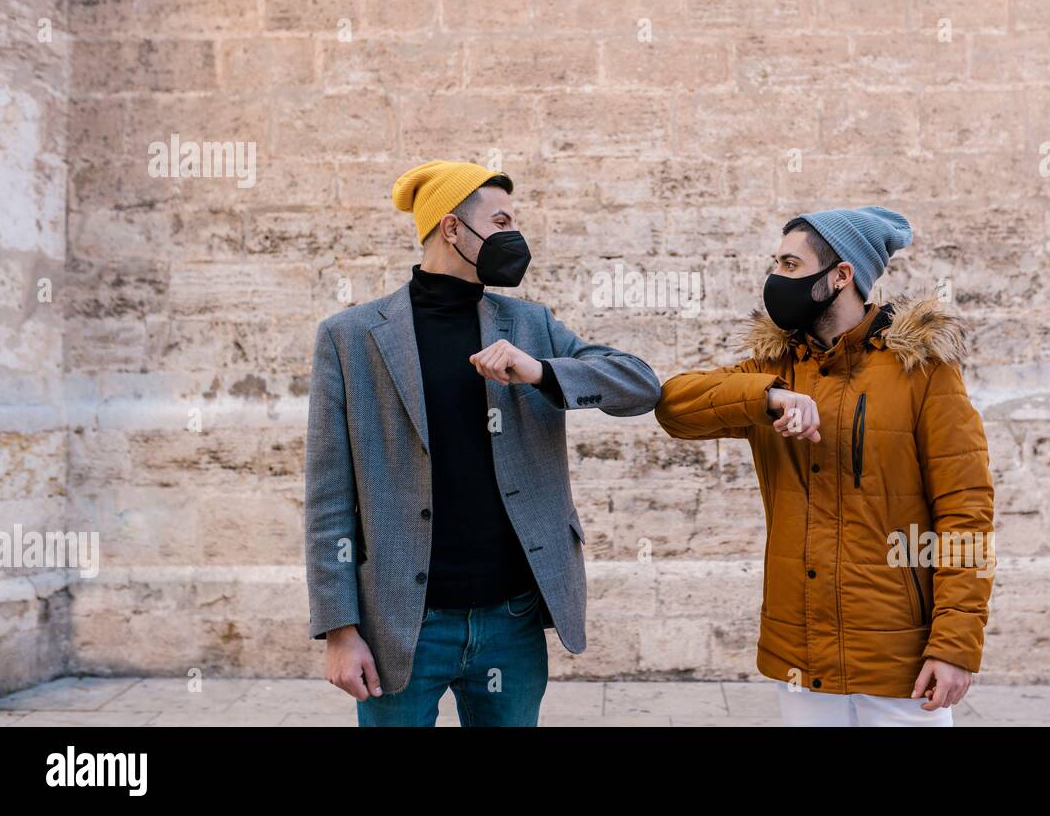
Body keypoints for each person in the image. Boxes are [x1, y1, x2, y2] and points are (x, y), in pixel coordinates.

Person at [304, 160, 661, 726]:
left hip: (510, 621)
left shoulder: (529, 326)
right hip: (403, 623)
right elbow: (327, 498)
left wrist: (543, 371)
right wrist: (339, 630)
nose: (512, 236)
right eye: (500, 221)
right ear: (451, 229)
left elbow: (641, 385)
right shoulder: (350, 338)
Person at [653, 206, 995, 727]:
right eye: (777, 263)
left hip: (898, 662)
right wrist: (769, 399)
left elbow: (965, 514)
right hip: (804, 653)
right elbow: (674, 406)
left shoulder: (922, 371)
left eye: (791, 265)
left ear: (841, 275)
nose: (776, 278)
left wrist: (954, 645)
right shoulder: (775, 368)